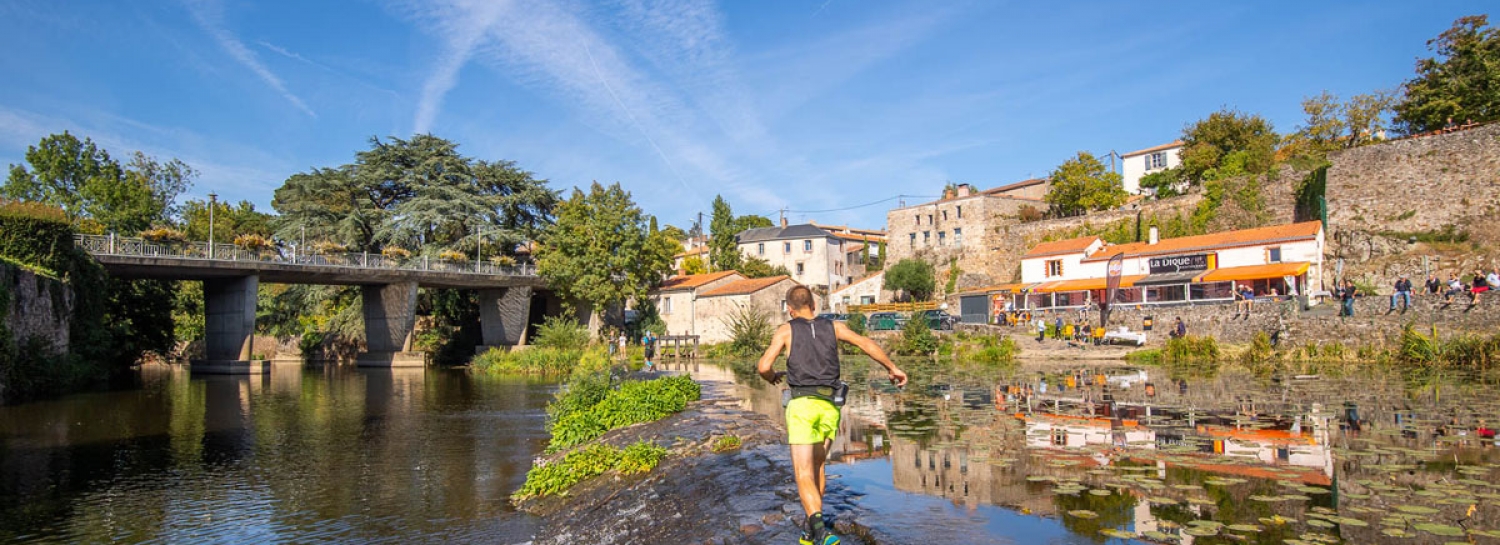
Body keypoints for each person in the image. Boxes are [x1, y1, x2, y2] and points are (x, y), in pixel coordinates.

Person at [756, 285, 907, 545]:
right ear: (814, 305)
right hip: (829, 406)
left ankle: (821, 531)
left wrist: (772, 378)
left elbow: (764, 366)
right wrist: (892, 367)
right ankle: (809, 530)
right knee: (817, 468)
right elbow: (865, 343)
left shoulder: (786, 330)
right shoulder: (835, 327)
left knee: (803, 472)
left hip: (802, 406)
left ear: (790, 310)